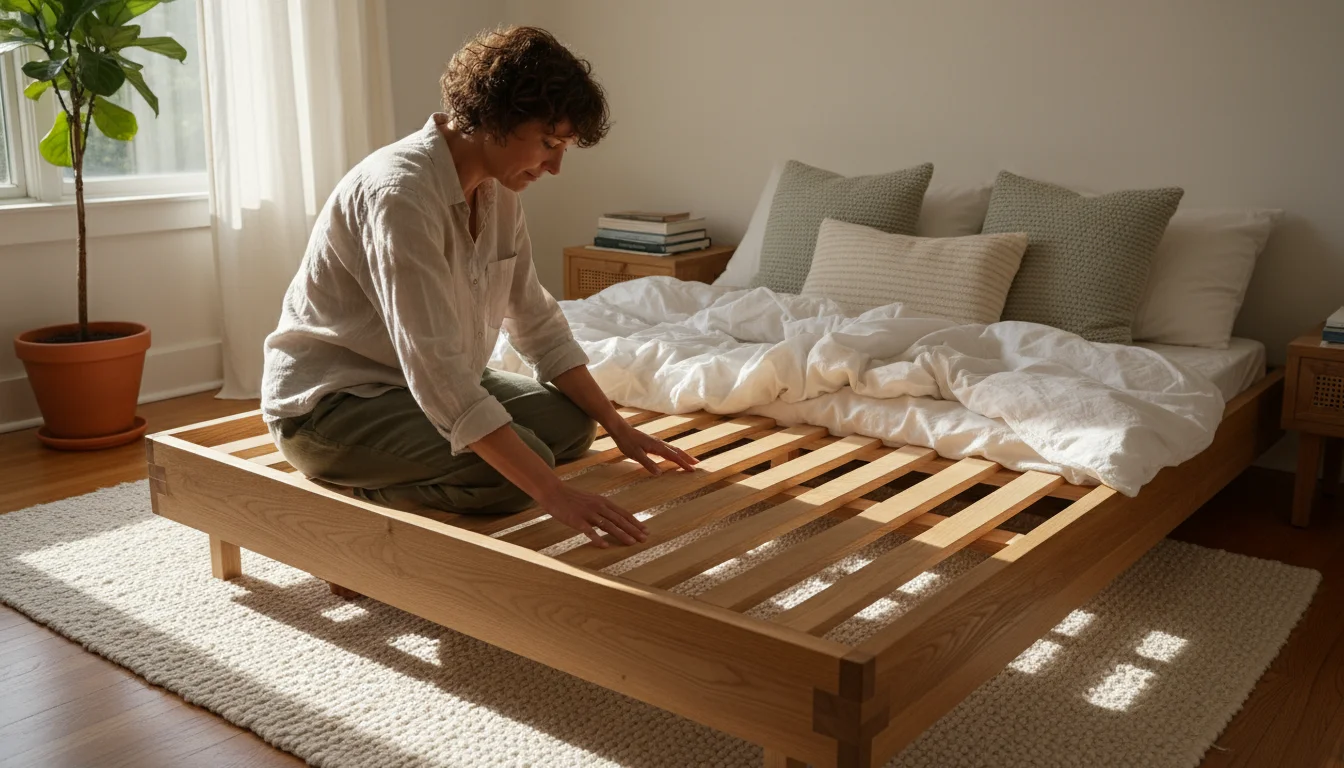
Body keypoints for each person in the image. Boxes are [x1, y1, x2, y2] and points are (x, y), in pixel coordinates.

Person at [260, 26, 696, 549]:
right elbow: (436, 367)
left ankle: (425, 469)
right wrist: (554, 493)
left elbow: (536, 320)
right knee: (513, 479)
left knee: (572, 427)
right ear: (494, 118)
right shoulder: (400, 195)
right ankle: (366, 496)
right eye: (550, 142)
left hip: (412, 385)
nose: (556, 166)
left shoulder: (500, 191)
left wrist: (617, 426)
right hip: (334, 405)